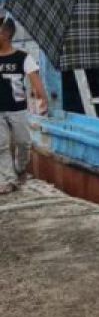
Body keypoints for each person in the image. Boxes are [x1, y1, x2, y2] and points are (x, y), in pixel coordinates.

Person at [0, 17, 48, 194]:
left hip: (18, 109)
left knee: (24, 142)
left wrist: (43, 98)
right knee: (1, 145)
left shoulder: (23, 57)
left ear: (5, 34)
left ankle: (19, 168)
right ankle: (7, 179)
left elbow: (35, 80)